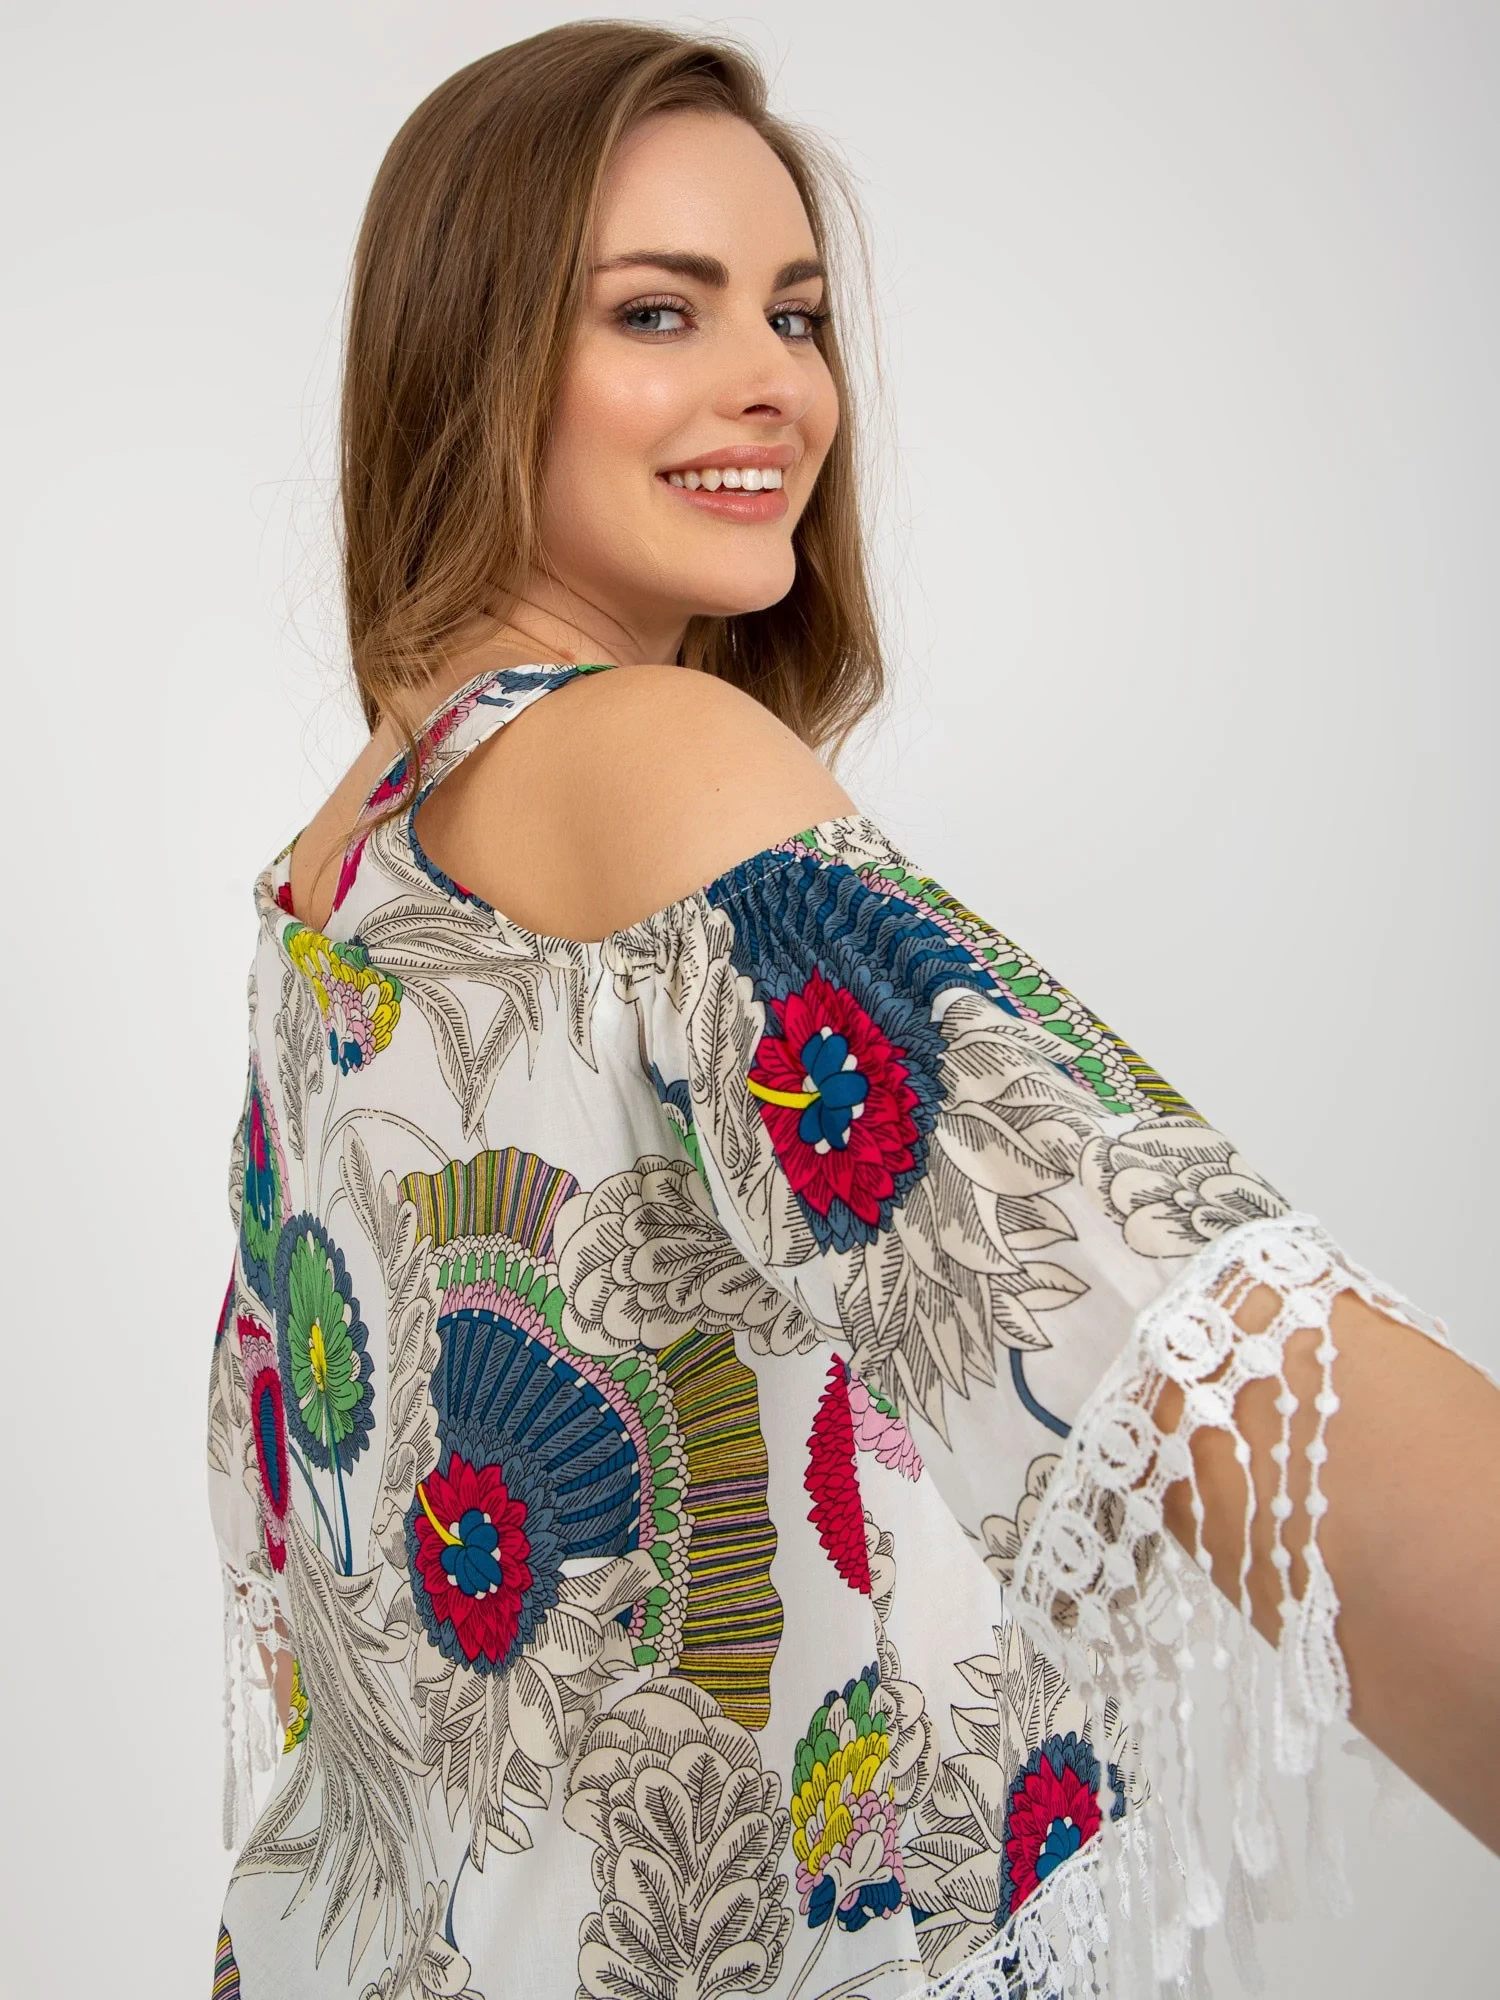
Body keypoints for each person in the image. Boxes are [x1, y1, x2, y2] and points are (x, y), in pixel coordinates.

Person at [205, 22, 1500, 2000]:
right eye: (660, 310)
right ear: (470, 356)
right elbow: (1174, 1325)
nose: (777, 386)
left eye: (796, 315)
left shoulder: (341, 850)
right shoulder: (652, 755)